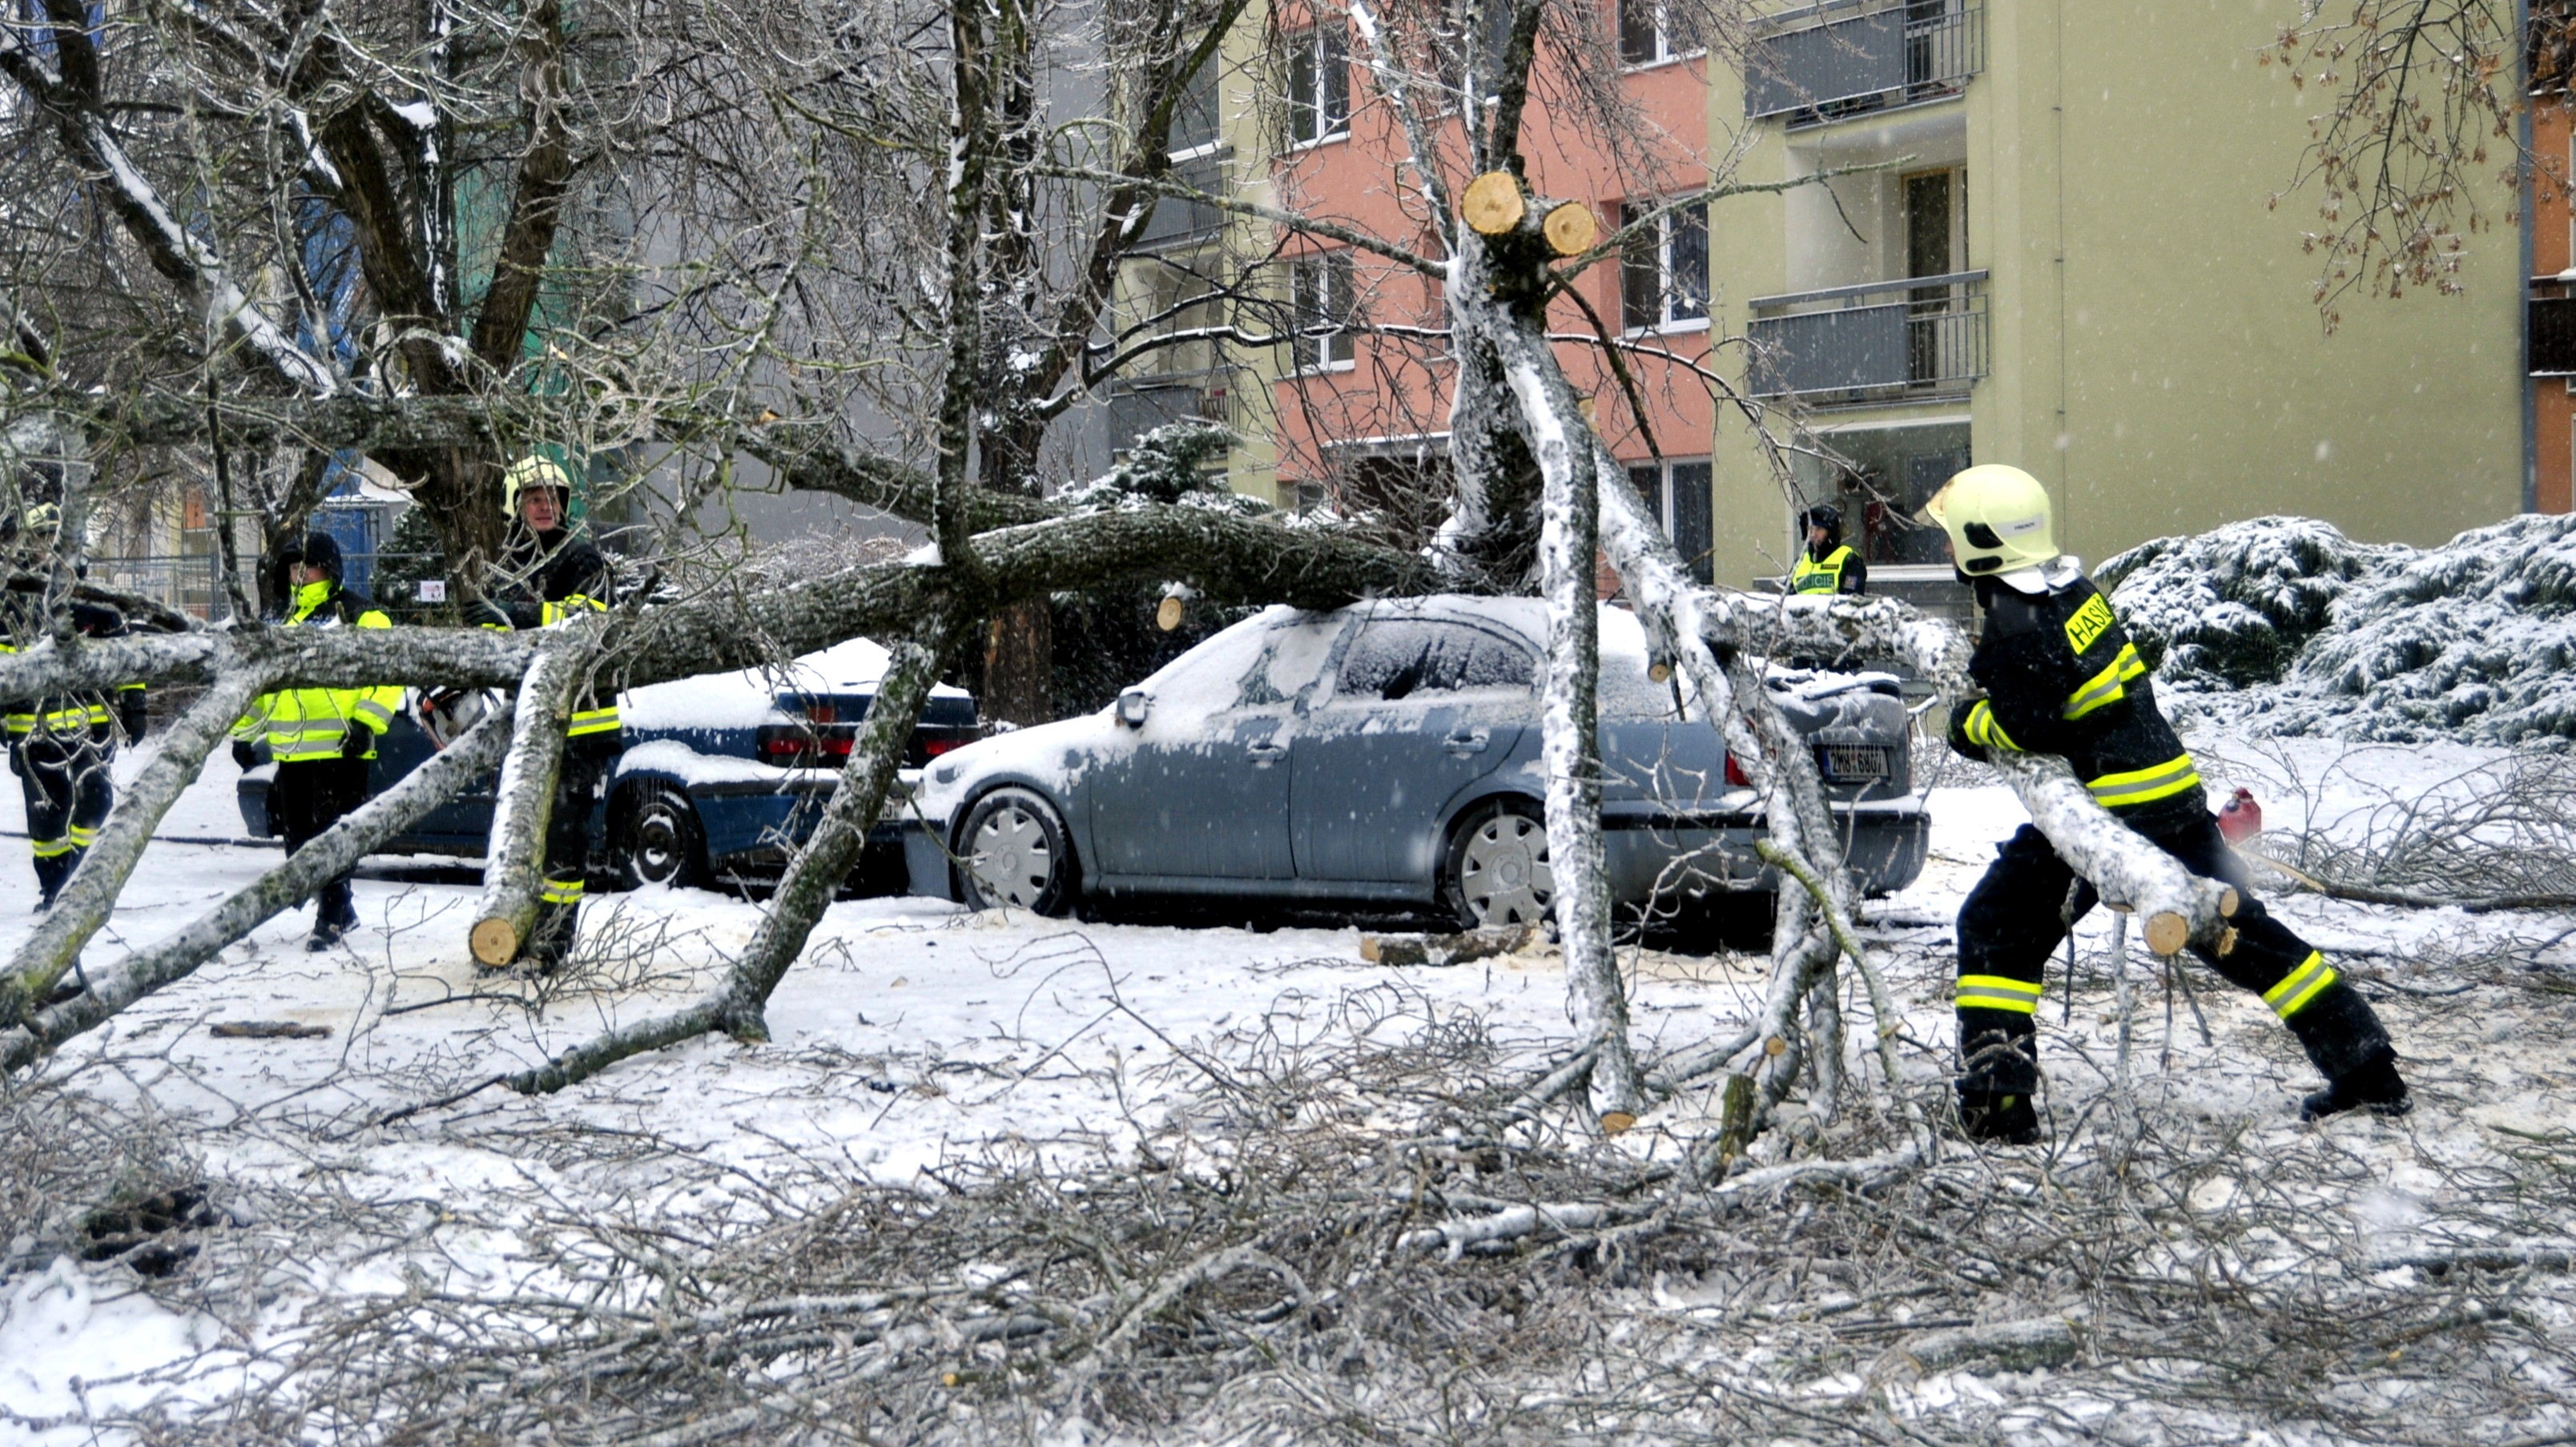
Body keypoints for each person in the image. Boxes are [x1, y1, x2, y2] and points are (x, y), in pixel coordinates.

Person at [1925, 464, 2409, 1142]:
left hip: (2110, 811)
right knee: (2238, 930)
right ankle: (2367, 1067)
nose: (1946, 546)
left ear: (1984, 543)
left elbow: (2026, 726)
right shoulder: (2071, 589)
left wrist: (1965, 724)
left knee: (1994, 926)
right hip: (2171, 793)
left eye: (1952, 536)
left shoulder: (2016, 619)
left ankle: (1996, 1106)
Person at [231, 532, 400, 950]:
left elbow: (388, 673)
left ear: (329, 569)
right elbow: (259, 684)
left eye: (306, 566)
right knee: (299, 844)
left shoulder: (360, 615)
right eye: (293, 567)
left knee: (334, 839)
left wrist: (366, 723)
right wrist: (244, 734)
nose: (299, 575)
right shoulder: (276, 621)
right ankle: (343, 910)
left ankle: (331, 918)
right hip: (291, 753)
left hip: (343, 748)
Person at [486, 455, 621, 972]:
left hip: (581, 729)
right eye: (533, 498)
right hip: (527, 726)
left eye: (551, 498)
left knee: (563, 842)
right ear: (515, 506)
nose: (544, 507)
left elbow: (590, 621)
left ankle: (553, 942)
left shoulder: (583, 558)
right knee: (521, 841)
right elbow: (497, 640)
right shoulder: (508, 567)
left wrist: (518, 614)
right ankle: (515, 933)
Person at [2, 497, 147, 910]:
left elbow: (127, 657)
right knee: (47, 817)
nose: (48, 549)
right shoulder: (12, 606)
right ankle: (54, 889)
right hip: (35, 735)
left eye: (56, 539)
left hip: (91, 730)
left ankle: (79, 880)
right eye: (41, 540)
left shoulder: (94, 601)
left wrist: (134, 705)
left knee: (95, 803)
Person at [1789, 502, 1867, 596]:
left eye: (1819, 529)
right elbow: (1786, 599)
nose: (1813, 534)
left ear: (1831, 532)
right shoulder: (1799, 563)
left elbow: (1852, 598)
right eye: (1810, 528)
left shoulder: (1849, 560)